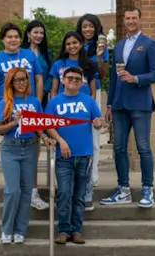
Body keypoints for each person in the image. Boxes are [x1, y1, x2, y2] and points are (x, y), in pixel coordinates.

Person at [100, 7, 155, 209]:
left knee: (143, 147)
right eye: (127, 18)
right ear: (123, 20)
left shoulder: (149, 44)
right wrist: (109, 104)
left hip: (140, 103)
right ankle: (123, 189)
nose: (130, 21)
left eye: (134, 18)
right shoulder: (118, 46)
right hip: (119, 104)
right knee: (119, 148)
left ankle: (147, 189)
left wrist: (135, 78)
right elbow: (113, 78)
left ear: (140, 19)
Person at [0, 22, 48, 212]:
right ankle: (13, 192)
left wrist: (37, 103)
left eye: (16, 36)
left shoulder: (29, 55)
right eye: (9, 37)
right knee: (11, 148)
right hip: (7, 108)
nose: (14, 40)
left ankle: (33, 192)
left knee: (33, 150)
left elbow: (38, 79)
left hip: (29, 105)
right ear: (3, 39)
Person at [45, 65, 102, 245]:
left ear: (81, 83)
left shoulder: (88, 101)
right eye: (70, 78)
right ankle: (64, 230)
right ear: (63, 80)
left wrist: (98, 123)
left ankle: (76, 230)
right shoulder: (54, 101)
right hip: (63, 156)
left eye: (77, 79)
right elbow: (48, 125)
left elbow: (98, 123)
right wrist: (60, 141)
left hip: (84, 155)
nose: (73, 81)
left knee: (79, 195)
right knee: (64, 193)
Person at [0, 67, 43, 244]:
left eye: (24, 79)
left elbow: (38, 126)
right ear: (11, 82)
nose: (22, 83)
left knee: (26, 192)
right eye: (18, 80)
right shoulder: (5, 102)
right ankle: (7, 229)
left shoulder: (34, 102)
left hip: (29, 147)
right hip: (10, 148)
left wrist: (45, 137)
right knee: (12, 190)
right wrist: (14, 122)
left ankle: (20, 230)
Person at [75, 14, 109, 211]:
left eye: (91, 27)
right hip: (75, 94)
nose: (87, 30)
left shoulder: (100, 47)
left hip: (92, 93)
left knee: (94, 136)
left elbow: (103, 74)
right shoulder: (76, 44)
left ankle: (93, 175)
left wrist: (99, 55)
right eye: (84, 26)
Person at [22, 19, 53, 211]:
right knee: (24, 148)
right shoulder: (21, 53)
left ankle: (33, 191)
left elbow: (49, 78)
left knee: (36, 147)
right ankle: (25, 189)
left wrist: (39, 101)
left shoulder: (45, 54)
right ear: (28, 34)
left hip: (40, 104)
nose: (39, 35)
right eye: (35, 32)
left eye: (41, 32)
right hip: (21, 104)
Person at [49, 32, 97, 100]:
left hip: (83, 104)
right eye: (68, 44)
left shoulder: (89, 64)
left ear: (81, 44)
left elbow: (93, 93)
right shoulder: (58, 64)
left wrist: (90, 105)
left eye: (75, 43)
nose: (71, 46)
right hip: (63, 104)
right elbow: (54, 91)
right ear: (65, 47)